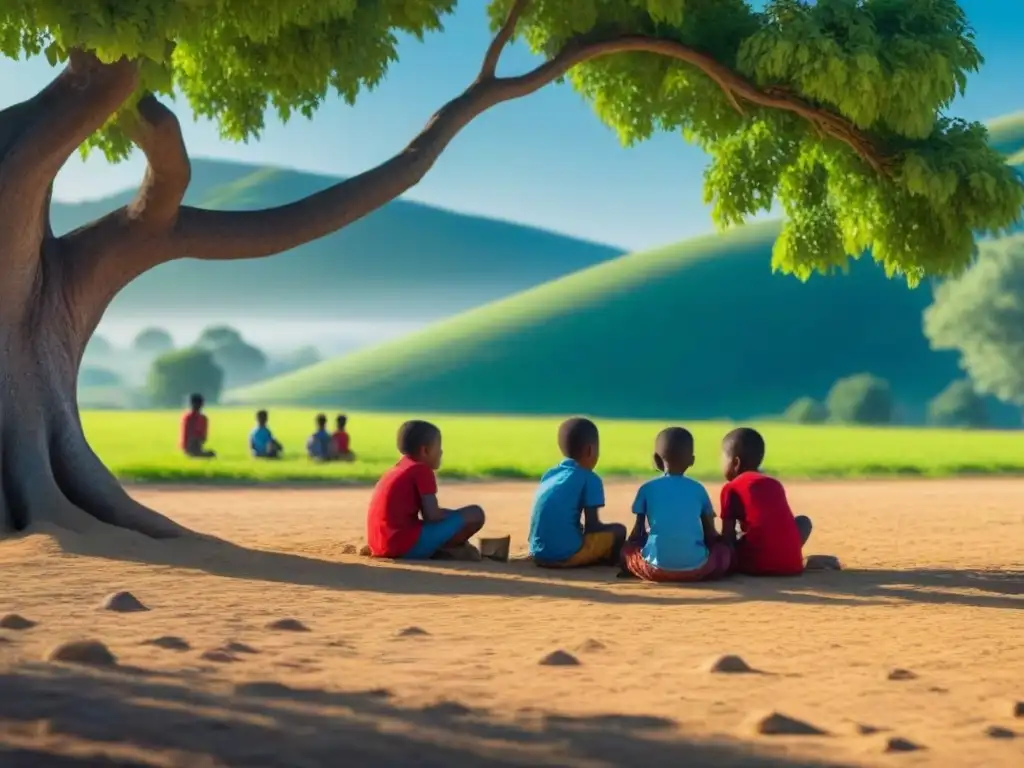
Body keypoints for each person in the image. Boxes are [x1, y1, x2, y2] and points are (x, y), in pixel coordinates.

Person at [619, 427, 732, 582]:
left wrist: (631, 547)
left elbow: (636, 533)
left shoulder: (647, 488)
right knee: (722, 552)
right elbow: (710, 533)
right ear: (692, 461)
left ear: (656, 460)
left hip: (654, 570)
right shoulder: (698, 489)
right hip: (697, 569)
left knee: (628, 550)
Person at [366, 420, 486, 559]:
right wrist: (459, 518)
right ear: (425, 450)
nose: (441, 452)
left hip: (379, 545)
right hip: (400, 547)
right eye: (438, 447)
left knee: (454, 518)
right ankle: (448, 549)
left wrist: (452, 516)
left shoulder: (395, 470)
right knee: (475, 513)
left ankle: (440, 548)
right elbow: (432, 516)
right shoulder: (421, 470)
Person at [528, 417, 626, 568]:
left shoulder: (550, 473)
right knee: (619, 531)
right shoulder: (590, 478)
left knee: (573, 527)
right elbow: (592, 526)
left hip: (538, 553)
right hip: (565, 555)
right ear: (590, 450)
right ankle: (609, 564)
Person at [720, 427, 812, 576]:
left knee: (720, 542)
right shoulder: (774, 483)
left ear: (735, 462)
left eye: (723, 458)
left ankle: (770, 558)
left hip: (755, 565)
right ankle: (785, 557)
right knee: (803, 522)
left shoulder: (731, 488)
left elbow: (728, 536)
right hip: (792, 566)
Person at [180, 393, 215, 458]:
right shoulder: (191, 417)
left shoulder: (201, 418)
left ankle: (197, 452)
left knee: (211, 454)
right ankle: (196, 453)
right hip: (191, 447)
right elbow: (192, 436)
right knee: (210, 455)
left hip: (195, 447)